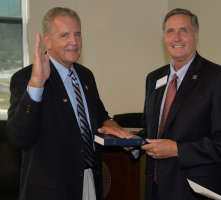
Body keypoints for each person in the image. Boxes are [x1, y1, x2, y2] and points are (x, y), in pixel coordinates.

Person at [6, 7, 132, 200]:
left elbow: (98, 115)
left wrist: (109, 124)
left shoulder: (86, 76)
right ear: (47, 41)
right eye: (64, 35)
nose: (73, 42)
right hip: (50, 191)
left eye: (77, 34)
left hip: (89, 181)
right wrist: (37, 84)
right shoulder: (26, 79)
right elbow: (19, 138)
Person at [123, 8, 221, 200]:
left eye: (183, 31)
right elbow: (152, 130)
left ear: (195, 36)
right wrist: (131, 141)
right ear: (164, 38)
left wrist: (176, 149)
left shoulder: (218, 77)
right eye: (171, 31)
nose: (176, 38)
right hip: (154, 188)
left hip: (192, 191)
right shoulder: (154, 78)